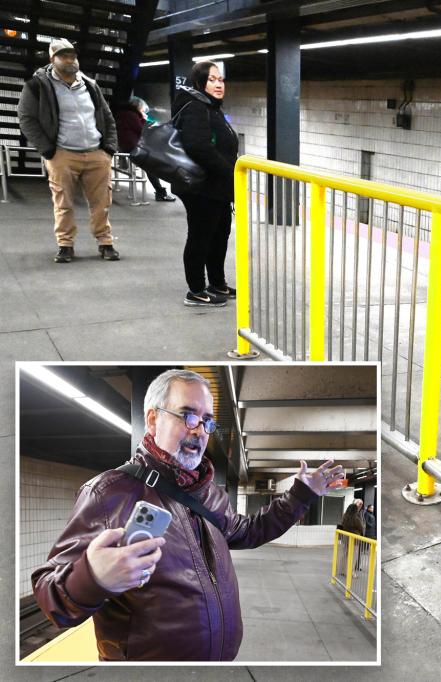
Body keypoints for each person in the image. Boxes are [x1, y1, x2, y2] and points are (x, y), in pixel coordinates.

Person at [32, 369, 346, 661]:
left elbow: (250, 531)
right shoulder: (108, 493)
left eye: (207, 421)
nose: (199, 430)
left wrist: (302, 493)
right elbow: (49, 595)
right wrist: (93, 577)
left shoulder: (209, 493)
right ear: (153, 420)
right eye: (187, 415)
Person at [17, 38, 120, 264]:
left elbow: (107, 118)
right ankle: (65, 245)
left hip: (96, 153)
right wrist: (48, 150)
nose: (70, 59)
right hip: (62, 155)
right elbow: (26, 120)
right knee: (63, 203)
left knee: (102, 202)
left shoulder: (91, 85)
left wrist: (109, 148)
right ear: (52, 59)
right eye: (64, 55)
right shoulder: (37, 86)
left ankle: (105, 242)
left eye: (73, 55)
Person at [171, 61, 238, 307]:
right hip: (201, 188)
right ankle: (196, 290)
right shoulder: (195, 106)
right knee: (200, 237)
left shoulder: (211, 107)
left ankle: (217, 282)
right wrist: (230, 171)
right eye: (212, 79)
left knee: (219, 235)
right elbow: (198, 146)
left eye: (221, 80)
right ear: (200, 82)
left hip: (216, 187)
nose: (219, 84)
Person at [112, 96, 175, 202]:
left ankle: (160, 191)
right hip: (132, 146)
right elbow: (142, 130)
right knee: (151, 164)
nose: (143, 111)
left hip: (123, 145)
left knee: (151, 161)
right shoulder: (131, 115)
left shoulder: (122, 113)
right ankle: (160, 192)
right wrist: (143, 119)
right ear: (137, 107)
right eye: (142, 110)